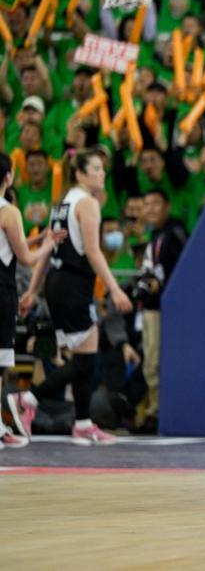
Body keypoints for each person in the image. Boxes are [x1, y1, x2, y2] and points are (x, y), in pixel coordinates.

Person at [8, 149, 133, 445]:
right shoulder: (87, 203)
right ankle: (28, 398)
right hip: (74, 285)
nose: (102, 174)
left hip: (58, 283)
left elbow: (48, 250)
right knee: (86, 360)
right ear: (79, 173)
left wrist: (33, 290)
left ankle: (83, 423)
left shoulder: (61, 205)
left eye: (102, 169)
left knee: (83, 357)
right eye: (96, 168)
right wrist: (115, 288)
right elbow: (93, 251)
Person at [0, 153, 62, 448]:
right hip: (2, 289)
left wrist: (38, 239)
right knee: (0, 361)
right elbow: (25, 258)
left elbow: (11, 244)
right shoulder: (9, 211)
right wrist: (48, 245)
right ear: (9, 176)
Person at [137, 189, 188, 432]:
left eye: (155, 203)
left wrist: (163, 287)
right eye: (146, 204)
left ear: (167, 206)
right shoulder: (154, 235)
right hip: (150, 307)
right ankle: (152, 410)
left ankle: (157, 414)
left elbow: (183, 272)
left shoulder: (174, 234)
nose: (150, 209)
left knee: (155, 363)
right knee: (150, 362)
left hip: (164, 311)